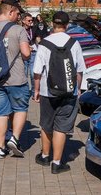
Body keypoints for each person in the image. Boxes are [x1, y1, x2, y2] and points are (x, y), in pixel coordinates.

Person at [32, 11, 86, 173]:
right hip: (69, 92)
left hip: (47, 92)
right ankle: (57, 163)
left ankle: (45, 156)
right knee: (61, 127)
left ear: (52, 24)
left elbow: (37, 71)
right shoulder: (74, 43)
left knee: (46, 125)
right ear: (67, 25)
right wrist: (78, 89)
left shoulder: (44, 44)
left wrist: (36, 90)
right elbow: (80, 70)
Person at [0, 0, 31, 158]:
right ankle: (14, 139)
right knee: (20, 109)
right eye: (17, 13)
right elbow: (25, 53)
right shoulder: (18, 30)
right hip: (16, 78)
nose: (18, 16)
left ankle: (0, 148)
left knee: (1, 113)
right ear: (10, 11)